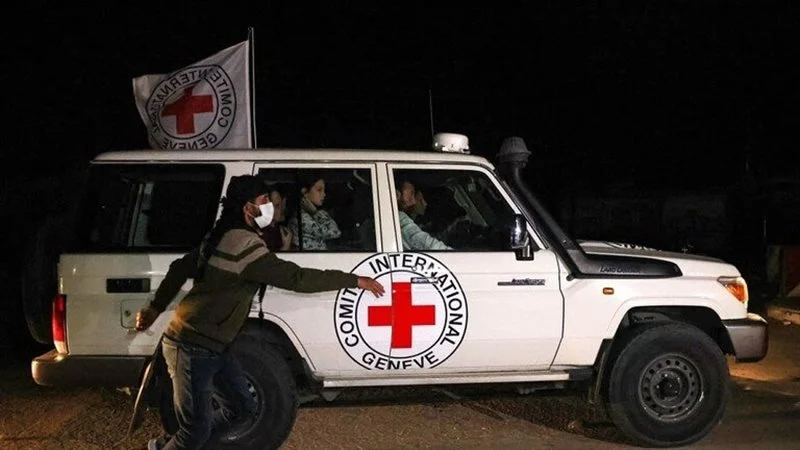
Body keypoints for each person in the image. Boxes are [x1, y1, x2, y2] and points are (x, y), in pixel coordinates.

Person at [135, 175, 384, 450]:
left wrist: (155, 308)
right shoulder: (242, 244)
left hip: (216, 344)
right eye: (264, 201)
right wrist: (353, 280)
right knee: (195, 430)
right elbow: (297, 278)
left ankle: (173, 444)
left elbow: (178, 269)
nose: (270, 207)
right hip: (192, 344)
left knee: (242, 409)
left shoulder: (223, 235)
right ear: (248, 207)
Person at [395, 178, 452, 251]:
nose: (413, 201)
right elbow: (423, 242)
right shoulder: (398, 217)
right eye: (411, 194)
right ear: (397, 194)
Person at [288, 174, 341, 250]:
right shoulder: (300, 218)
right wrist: (316, 212)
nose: (324, 194)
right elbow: (335, 232)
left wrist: (315, 212)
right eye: (319, 190)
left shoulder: (316, 213)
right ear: (305, 192)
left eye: (324, 190)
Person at [260, 185, 292, 251]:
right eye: (276, 206)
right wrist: (286, 246)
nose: (279, 210)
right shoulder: (261, 233)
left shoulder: (282, 230)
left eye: (278, 205)